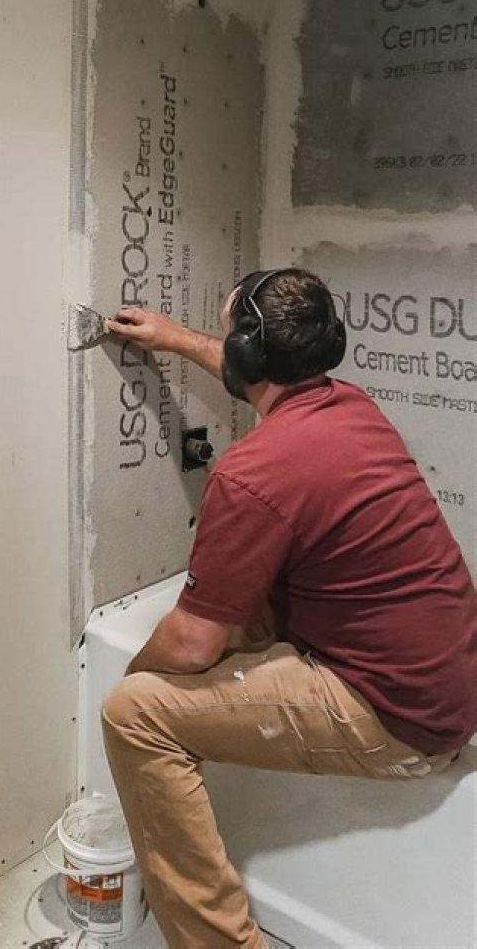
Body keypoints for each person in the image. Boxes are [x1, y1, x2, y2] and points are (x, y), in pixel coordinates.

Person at [100, 267, 477, 949]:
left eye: (228, 333)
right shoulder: (349, 404)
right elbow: (250, 371)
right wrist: (174, 337)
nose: (224, 346)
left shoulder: (252, 473)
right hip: (444, 682)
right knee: (252, 602)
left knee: (134, 715)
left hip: (396, 717)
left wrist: (133, 674)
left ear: (251, 354)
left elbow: (190, 644)